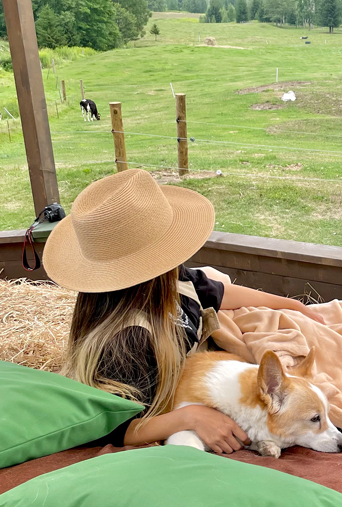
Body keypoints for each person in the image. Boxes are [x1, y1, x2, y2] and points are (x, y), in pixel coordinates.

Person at [42, 169, 324, 453]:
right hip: (186, 392)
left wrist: (291, 303)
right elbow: (116, 428)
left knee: (311, 327)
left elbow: (217, 292)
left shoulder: (169, 280)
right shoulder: (129, 340)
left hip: (207, 370)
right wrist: (189, 417)